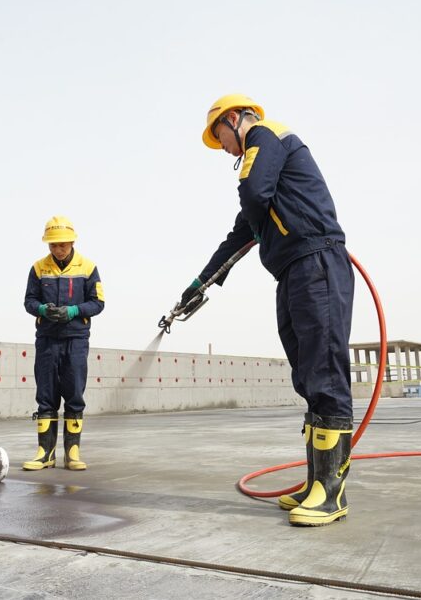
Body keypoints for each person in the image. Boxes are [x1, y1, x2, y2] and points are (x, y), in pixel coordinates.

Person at [179, 94, 355, 526]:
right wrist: (201, 282)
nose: (221, 146)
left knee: (325, 372)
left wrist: (252, 204)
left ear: (235, 119)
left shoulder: (265, 135)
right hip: (293, 271)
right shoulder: (264, 174)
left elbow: (254, 195)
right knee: (308, 375)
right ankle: (317, 480)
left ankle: (332, 495)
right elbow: (241, 232)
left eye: (219, 135)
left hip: (317, 262)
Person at [22, 216, 105, 471]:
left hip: (76, 340)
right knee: (46, 396)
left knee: (74, 394)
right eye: (53, 245)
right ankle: (45, 453)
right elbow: (29, 301)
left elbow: (98, 303)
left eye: (62, 245)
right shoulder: (38, 269)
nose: (58, 249)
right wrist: (43, 309)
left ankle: (72, 454)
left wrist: (74, 311)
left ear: (71, 242)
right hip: (47, 340)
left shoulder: (88, 267)